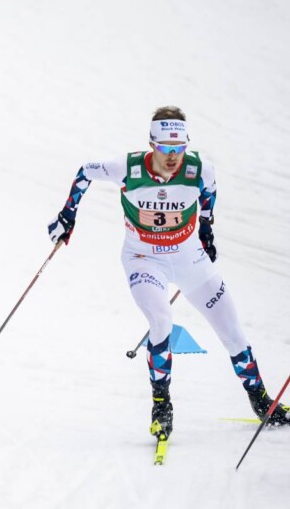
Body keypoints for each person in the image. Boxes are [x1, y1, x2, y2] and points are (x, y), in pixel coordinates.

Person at [47, 106, 289, 438]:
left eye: (179, 148)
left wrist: (206, 229)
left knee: (233, 332)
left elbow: (208, 194)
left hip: (190, 259)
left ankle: (261, 400)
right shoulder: (127, 168)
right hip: (144, 260)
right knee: (161, 320)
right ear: (152, 145)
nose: (173, 157)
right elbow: (85, 171)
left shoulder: (200, 169)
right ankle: (162, 406)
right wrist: (67, 216)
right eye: (166, 149)